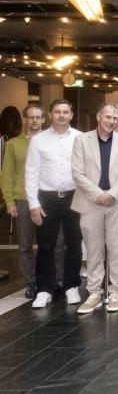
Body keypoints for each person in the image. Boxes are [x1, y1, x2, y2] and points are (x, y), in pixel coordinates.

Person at [70, 104, 118, 314]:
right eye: (108, 116)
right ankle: (94, 293)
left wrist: (112, 194)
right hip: (90, 203)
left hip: (116, 202)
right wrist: (98, 194)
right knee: (94, 250)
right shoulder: (81, 140)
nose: (111, 121)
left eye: (115, 118)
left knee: (117, 249)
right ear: (98, 116)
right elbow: (78, 173)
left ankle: (115, 291)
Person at [25, 100, 82, 309]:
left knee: (74, 244)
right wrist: (33, 203)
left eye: (65, 112)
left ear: (71, 114)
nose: (61, 115)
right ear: (50, 115)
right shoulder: (39, 140)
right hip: (46, 198)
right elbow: (31, 173)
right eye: (57, 111)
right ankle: (44, 289)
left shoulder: (79, 138)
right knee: (45, 246)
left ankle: (71, 286)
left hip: (74, 197)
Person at [1, 105, 44, 299]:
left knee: (52, 243)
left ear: (44, 119)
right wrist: (9, 201)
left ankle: (51, 280)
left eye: (38, 117)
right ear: (25, 120)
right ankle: (32, 281)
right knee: (25, 244)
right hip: (23, 199)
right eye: (31, 117)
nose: (34, 121)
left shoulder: (50, 141)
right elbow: (7, 174)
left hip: (47, 198)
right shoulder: (13, 144)